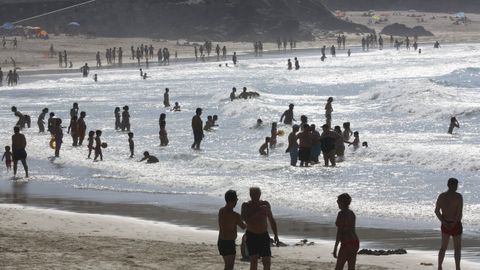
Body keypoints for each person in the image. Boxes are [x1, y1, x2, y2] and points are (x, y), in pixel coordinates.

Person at [241, 187, 279, 270]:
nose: (255, 196)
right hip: (251, 235)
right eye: (253, 194)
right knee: (254, 261)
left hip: (264, 235)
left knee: (267, 261)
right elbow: (244, 219)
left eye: (257, 194)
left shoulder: (265, 204)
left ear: (260, 194)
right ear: (250, 195)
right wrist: (258, 212)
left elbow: (271, 220)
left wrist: (276, 235)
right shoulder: (246, 205)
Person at [435, 178, 463, 270]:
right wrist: (454, 224)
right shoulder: (459, 197)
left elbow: (437, 211)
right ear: (453, 185)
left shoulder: (442, 196)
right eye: (456, 185)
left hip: (445, 223)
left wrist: (444, 222)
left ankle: (439, 267)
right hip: (455, 225)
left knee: (443, 247)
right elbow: (459, 214)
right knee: (457, 248)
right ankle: (457, 268)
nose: (456, 187)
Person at [218, 190, 246, 270]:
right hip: (229, 242)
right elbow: (243, 226)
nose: (237, 201)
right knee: (229, 267)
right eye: (236, 199)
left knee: (227, 266)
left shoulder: (221, 211)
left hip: (221, 241)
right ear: (233, 200)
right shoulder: (235, 215)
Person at [333, 193, 359, 270]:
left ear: (342, 202)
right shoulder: (352, 213)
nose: (337, 203)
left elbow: (339, 232)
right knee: (351, 267)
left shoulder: (341, 214)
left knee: (339, 267)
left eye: (338, 201)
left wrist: (335, 248)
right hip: (355, 242)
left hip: (346, 243)